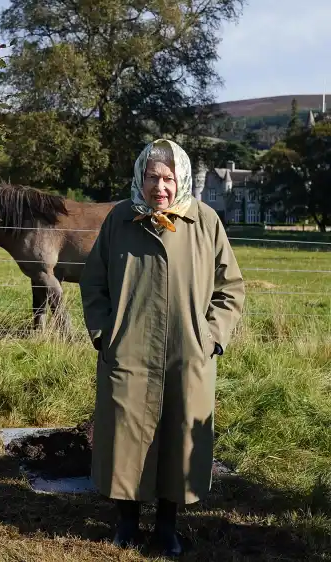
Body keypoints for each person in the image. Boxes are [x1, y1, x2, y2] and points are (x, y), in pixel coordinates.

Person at [79, 139, 245, 557]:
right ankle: (127, 524)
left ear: (181, 179)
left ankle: (167, 529)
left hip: (187, 355)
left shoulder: (205, 222)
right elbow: (94, 283)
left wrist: (211, 337)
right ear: (140, 178)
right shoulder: (120, 219)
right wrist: (103, 334)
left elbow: (230, 289)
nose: (160, 187)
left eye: (168, 178)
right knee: (124, 437)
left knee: (177, 439)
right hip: (128, 352)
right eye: (153, 177)